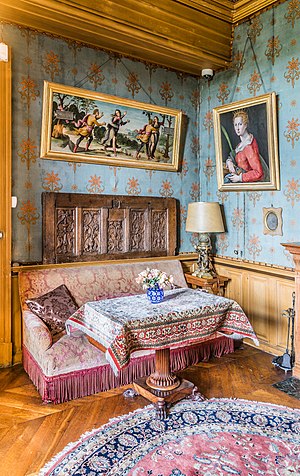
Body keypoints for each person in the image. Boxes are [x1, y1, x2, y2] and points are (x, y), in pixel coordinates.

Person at [224, 110, 266, 183]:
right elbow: (233, 156)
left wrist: (240, 178)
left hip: (250, 183)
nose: (237, 128)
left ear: (245, 125)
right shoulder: (240, 145)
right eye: (235, 125)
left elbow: (258, 173)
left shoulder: (249, 146)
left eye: (240, 124)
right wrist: (229, 162)